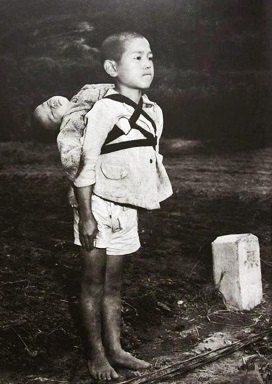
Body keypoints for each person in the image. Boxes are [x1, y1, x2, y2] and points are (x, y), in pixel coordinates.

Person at [35, 31, 172, 381]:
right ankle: (96, 356)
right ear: (112, 67)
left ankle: (117, 349)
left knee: (114, 283)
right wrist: (86, 218)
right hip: (95, 207)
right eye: (136, 57)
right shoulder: (104, 109)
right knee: (93, 283)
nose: (147, 63)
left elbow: (145, 162)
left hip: (126, 210)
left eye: (150, 56)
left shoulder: (154, 112)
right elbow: (85, 166)